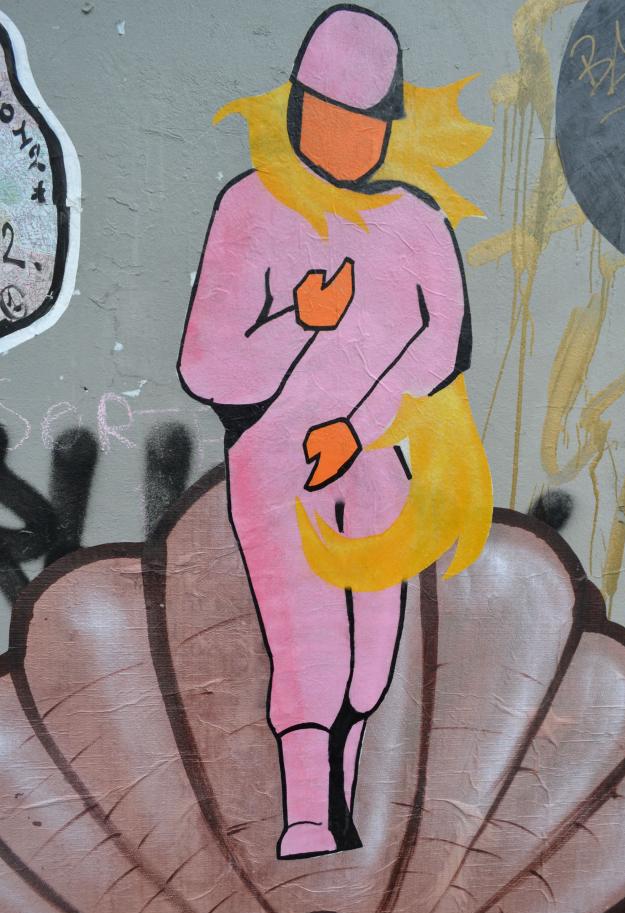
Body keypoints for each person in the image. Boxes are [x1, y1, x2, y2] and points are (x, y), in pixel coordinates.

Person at [178, 5, 489, 859]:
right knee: (307, 641)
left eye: (362, 122)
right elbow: (209, 366)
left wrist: (358, 427)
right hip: (276, 463)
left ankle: (340, 809)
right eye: (324, 116)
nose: (344, 139)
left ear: (386, 126)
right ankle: (307, 819)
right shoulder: (250, 207)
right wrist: (299, 323)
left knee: (370, 660)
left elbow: (438, 346)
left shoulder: (417, 222)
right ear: (297, 109)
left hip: (376, 463)